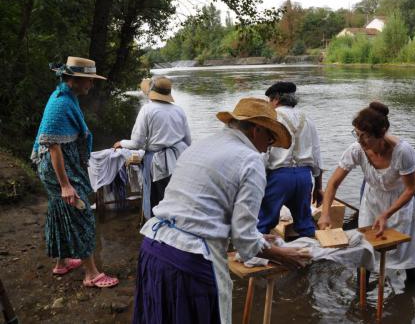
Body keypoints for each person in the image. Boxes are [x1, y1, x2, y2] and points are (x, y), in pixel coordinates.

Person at [133, 98, 312, 324]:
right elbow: (244, 241)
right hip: (189, 262)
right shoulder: (250, 160)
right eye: (271, 137)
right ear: (256, 130)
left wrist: (257, 237)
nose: (271, 144)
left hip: (153, 249)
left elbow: (201, 208)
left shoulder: (200, 145)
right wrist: (283, 255)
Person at [31, 56, 118, 288]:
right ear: (74, 80)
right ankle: (92, 274)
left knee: (61, 210)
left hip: (60, 165)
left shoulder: (67, 97)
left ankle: (62, 263)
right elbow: (51, 144)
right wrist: (65, 184)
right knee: (82, 215)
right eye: (88, 80)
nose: (91, 84)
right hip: (57, 169)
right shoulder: (61, 103)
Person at [318, 101, 415, 285]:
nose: (359, 141)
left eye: (365, 136)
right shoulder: (357, 150)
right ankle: (361, 291)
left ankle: (411, 288)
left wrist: (386, 214)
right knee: (364, 248)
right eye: (357, 135)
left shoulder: (403, 152)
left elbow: (410, 189)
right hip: (371, 200)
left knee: (405, 249)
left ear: (381, 133)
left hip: (399, 202)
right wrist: (325, 213)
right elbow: (333, 183)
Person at [113, 76, 191, 219]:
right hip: (180, 158)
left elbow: (137, 143)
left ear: (152, 92)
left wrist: (121, 143)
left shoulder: (147, 110)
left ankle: (157, 229)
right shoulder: (179, 110)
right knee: (176, 196)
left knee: (157, 198)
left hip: (158, 161)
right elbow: (188, 141)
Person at [257, 81, 323, 237]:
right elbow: (317, 154)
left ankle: (255, 257)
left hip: (279, 177)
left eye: (269, 101)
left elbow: (263, 154)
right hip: (304, 177)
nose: (269, 105)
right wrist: (318, 187)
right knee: (305, 222)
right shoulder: (307, 119)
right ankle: (311, 256)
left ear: (276, 99)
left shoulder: (271, 118)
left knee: (263, 221)